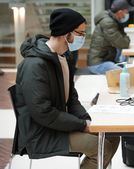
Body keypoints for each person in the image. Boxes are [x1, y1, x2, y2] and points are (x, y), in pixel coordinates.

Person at [15, 8, 119, 169]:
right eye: (80, 33)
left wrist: (87, 120)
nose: (83, 38)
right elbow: (42, 112)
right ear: (66, 33)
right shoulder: (35, 65)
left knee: (112, 135)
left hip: (57, 124)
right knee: (100, 146)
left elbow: (71, 98)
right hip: (41, 133)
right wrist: (81, 125)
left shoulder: (63, 58)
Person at [87, 0, 134, 74]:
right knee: (126, 74)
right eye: (126, 12)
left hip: (106, 61)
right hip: (98, 64)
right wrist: (126, 37)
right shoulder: (108, 23)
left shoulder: (112, 20)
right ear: (120, 12)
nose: (127, 14)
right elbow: (123, 44)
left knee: (129, 66)